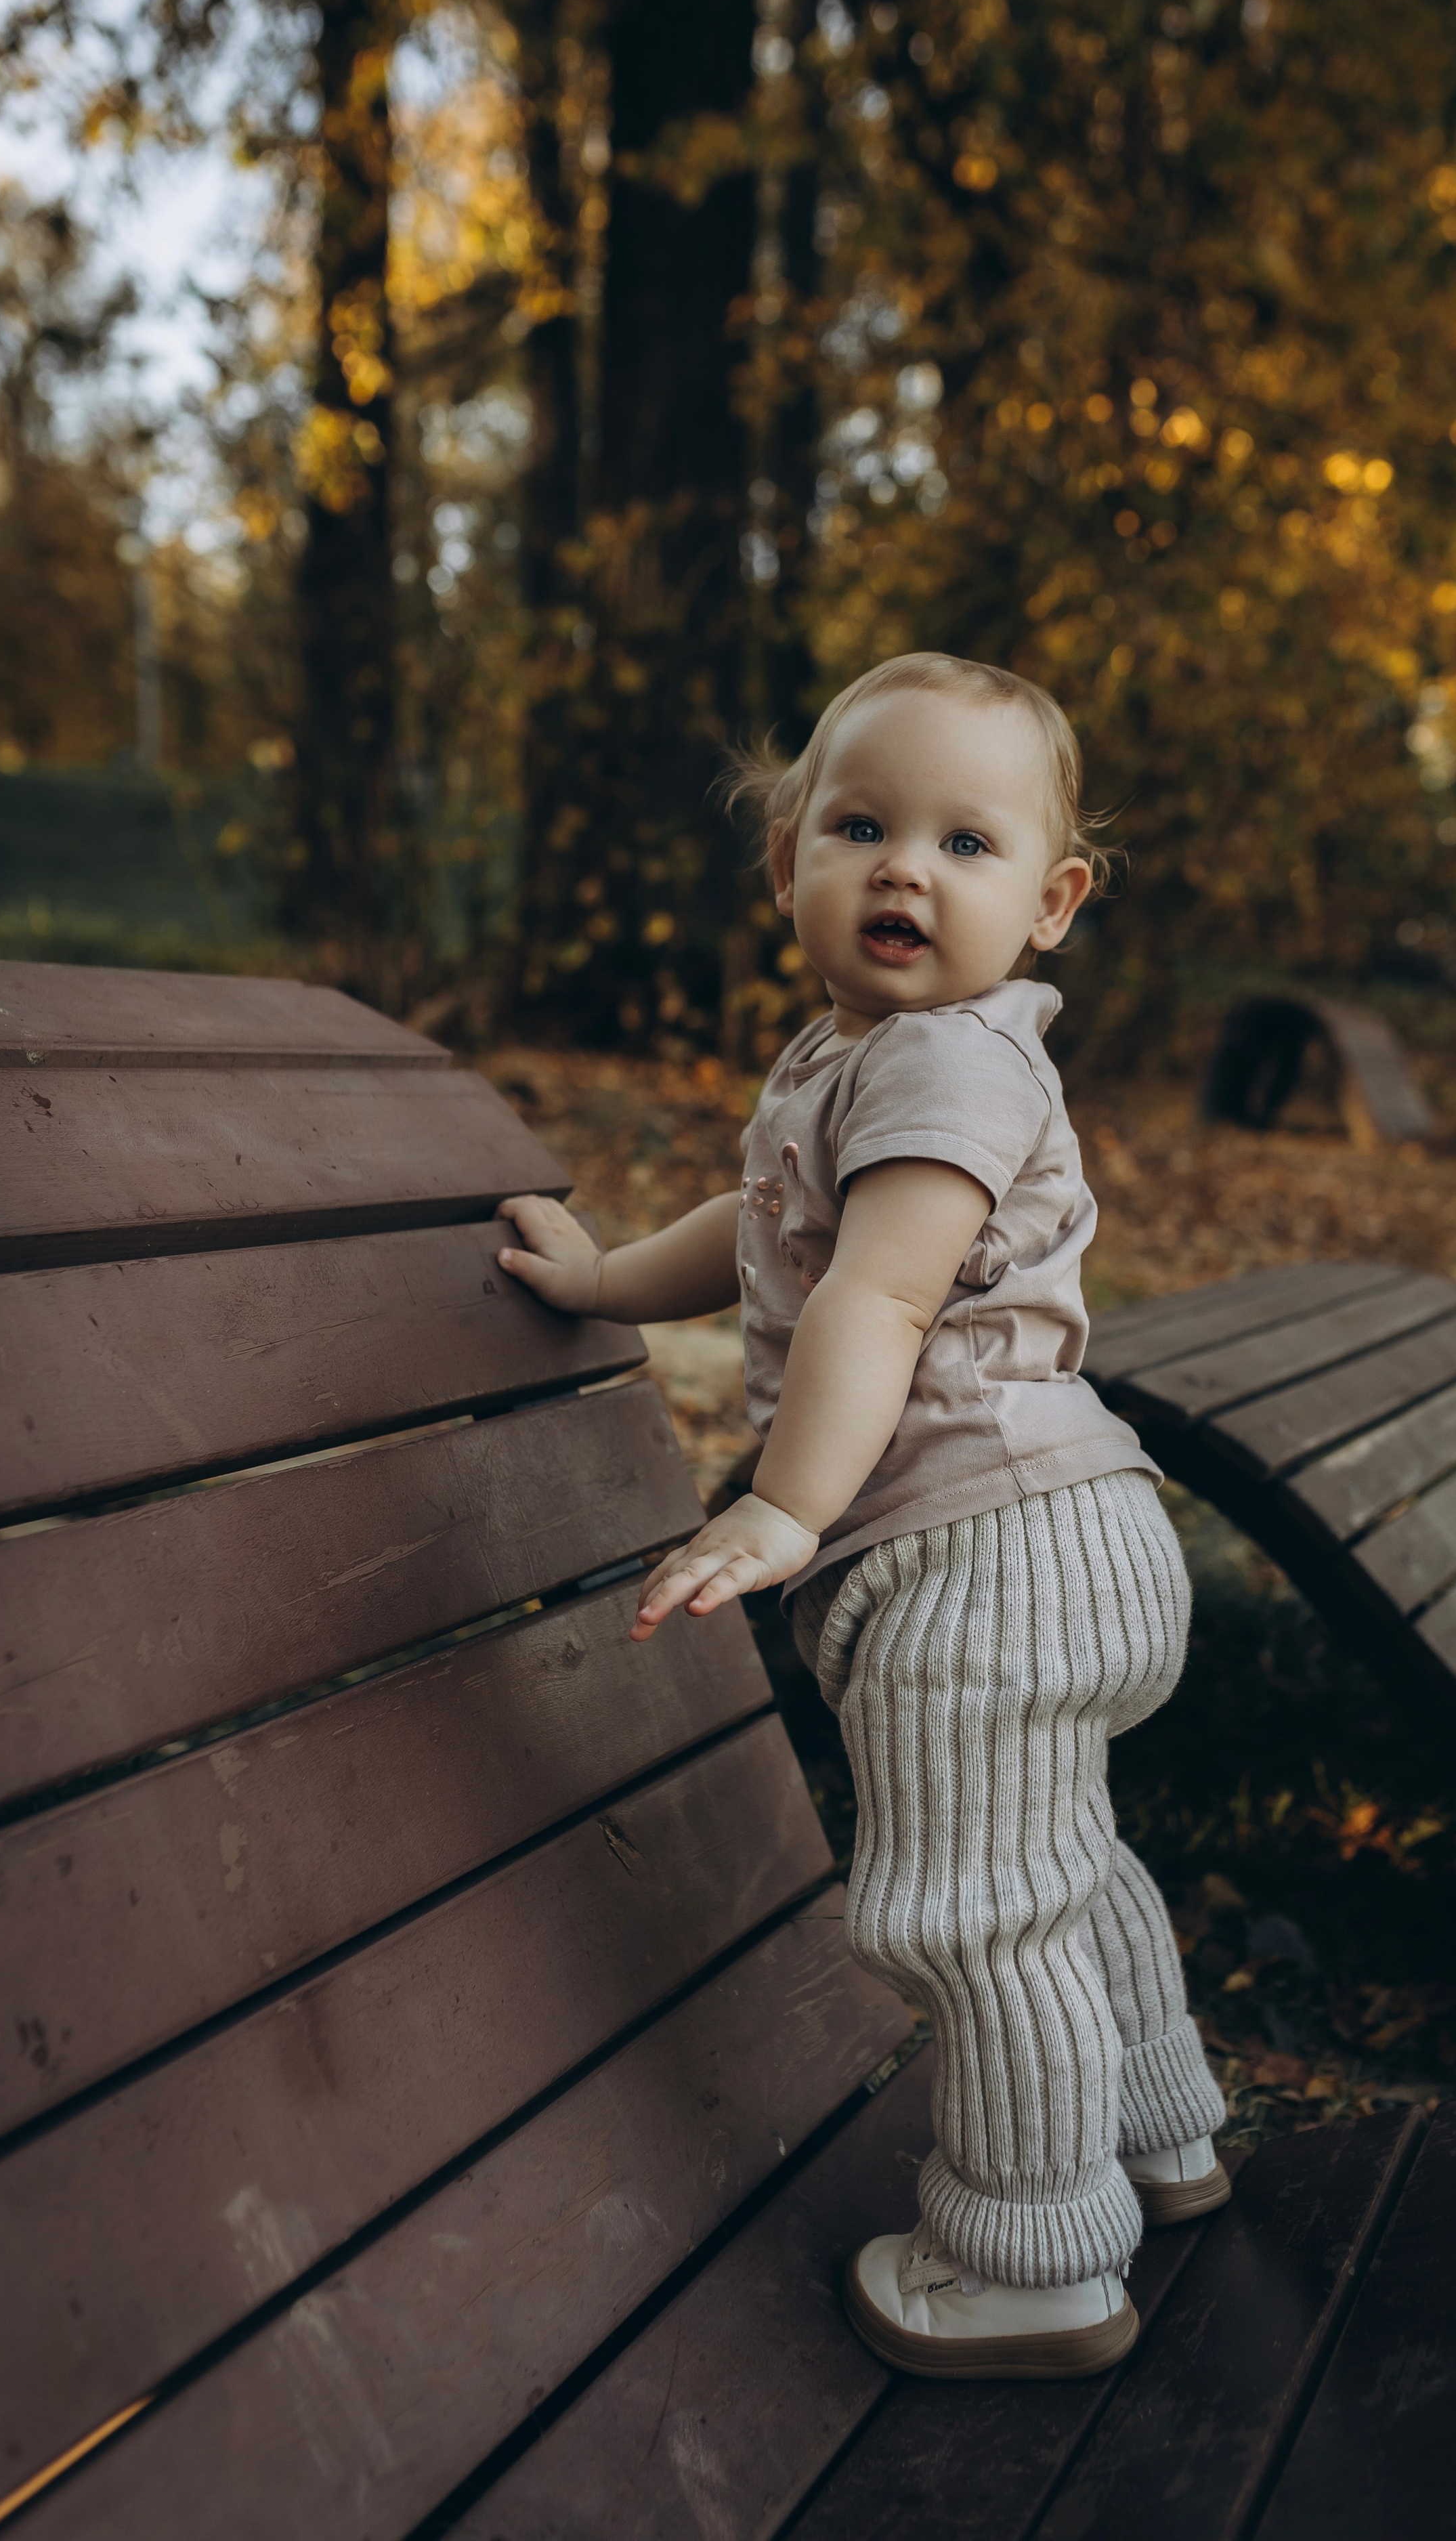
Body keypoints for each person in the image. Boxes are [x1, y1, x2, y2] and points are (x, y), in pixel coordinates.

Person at [494, 652, 1226, 2382]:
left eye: (964, 842)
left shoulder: (945, 1075)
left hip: (980, 1559)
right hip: (1062, 1530)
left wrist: (780, 1507)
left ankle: (1033, 2256)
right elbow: (765, 1235)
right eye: (860, 826)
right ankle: (1156, 2129)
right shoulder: (867, 1062)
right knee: (1065, 1863)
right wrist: (607, 1277)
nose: (904, 868)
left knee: (971, 1913)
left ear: (1049, 905)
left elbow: (874, 1304)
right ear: (788, 868)